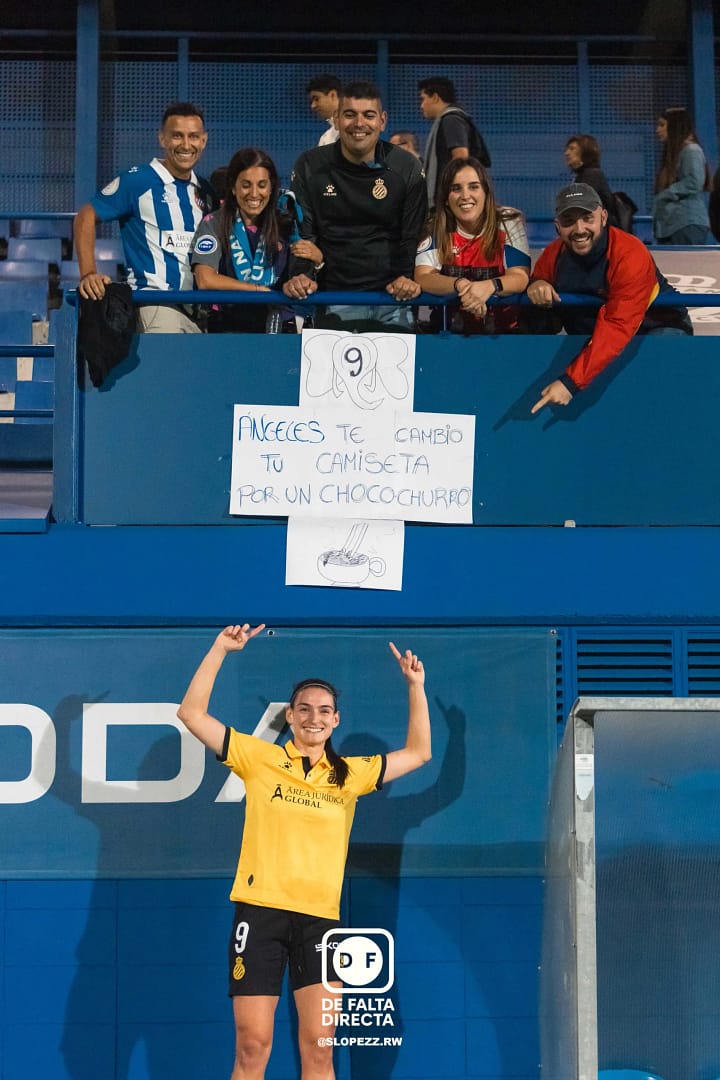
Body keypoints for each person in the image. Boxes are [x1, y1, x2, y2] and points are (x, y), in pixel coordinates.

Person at [177, 623, 431, 1080]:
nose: (314, 717)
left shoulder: (350, 774)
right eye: (305, 709)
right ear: (290, 717)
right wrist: (220, 649)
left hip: (320, 920)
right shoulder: (260, 759)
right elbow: (192, 714)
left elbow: (419, 753)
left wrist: (416, 686)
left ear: (336, 720)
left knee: (319, 1049)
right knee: (253, 1047)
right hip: (260, 916)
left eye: (325, 711)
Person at [527, 183, 692, 413]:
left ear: (603, 217)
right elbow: (540, 276)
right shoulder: (553, 255)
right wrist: (537, 284)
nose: (579, 228)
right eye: (569, 221)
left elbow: (617, 326)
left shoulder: (630, 254)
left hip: (656, 328)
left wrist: (570, 383)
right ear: (557, 227)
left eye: (587, 218)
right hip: (598, 335)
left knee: (655, 392)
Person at [283, 80, 427, 332]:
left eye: (368, 115)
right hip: (331, 299)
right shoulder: (310, 165)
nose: (359, 124)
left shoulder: (406, 167)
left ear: (382, 121)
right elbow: (305, 234)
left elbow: (411, 233)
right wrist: (302, 275)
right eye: (350, 115)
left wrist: (406, 278)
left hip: (392, 300)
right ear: (337, 119)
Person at [73, 102, 217, 333]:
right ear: (162, 139)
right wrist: (89, 273)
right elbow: (85, 216)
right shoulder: (137, 180)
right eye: (177, 136)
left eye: (193, 136)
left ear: (204, 140)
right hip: (157, 306)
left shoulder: (205, 190)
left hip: (198, 312)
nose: (186, 144)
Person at [190, 148, 323, 332]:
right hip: (227, 328)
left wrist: (316, 262)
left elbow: (301, 275)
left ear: (271, 188)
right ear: (233, 187)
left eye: (261, 185)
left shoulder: (285, 223)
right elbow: (205, 280)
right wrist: (256, 290)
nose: (254, 193)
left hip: (278, 326)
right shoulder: (214, 223)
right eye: (246, 185)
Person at [414, 157, 530, 334]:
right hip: (448, 334)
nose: (465, 195)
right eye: (455, 188)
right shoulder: (435, 225)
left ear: (486, 192)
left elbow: (520, 277)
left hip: (504, 335)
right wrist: (461, 284)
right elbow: (423, 277)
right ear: (446, 198)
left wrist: (488, 286)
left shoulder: (508, 221)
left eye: (474, 186)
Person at [418, 76, 491, 209]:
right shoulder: (450, 120)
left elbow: (461, 157)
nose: (421, 106)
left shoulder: (451, 120)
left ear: (435, 97)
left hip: (450, 203)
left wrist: (454, 195)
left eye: (423, 99)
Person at [653, 106, 711, 245]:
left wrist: (667, 193)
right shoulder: (674, 153)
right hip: (671, 226)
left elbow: (694, 181)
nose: (657, 130)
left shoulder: (691, 150)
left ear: (675, 127)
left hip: (686, 224)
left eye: (662, 125)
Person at [563, 134, 618, 226]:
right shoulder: (584, 175)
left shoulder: (592, 175)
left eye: (572, 149)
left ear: (585, 152)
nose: (567, 153)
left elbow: (579, 205)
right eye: (567, 149)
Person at [305, 74, 341, 146]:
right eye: (312, 101)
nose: (313, 106)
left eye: (316, 99)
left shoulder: (357, 129)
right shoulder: (325, 139)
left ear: (332, 95)